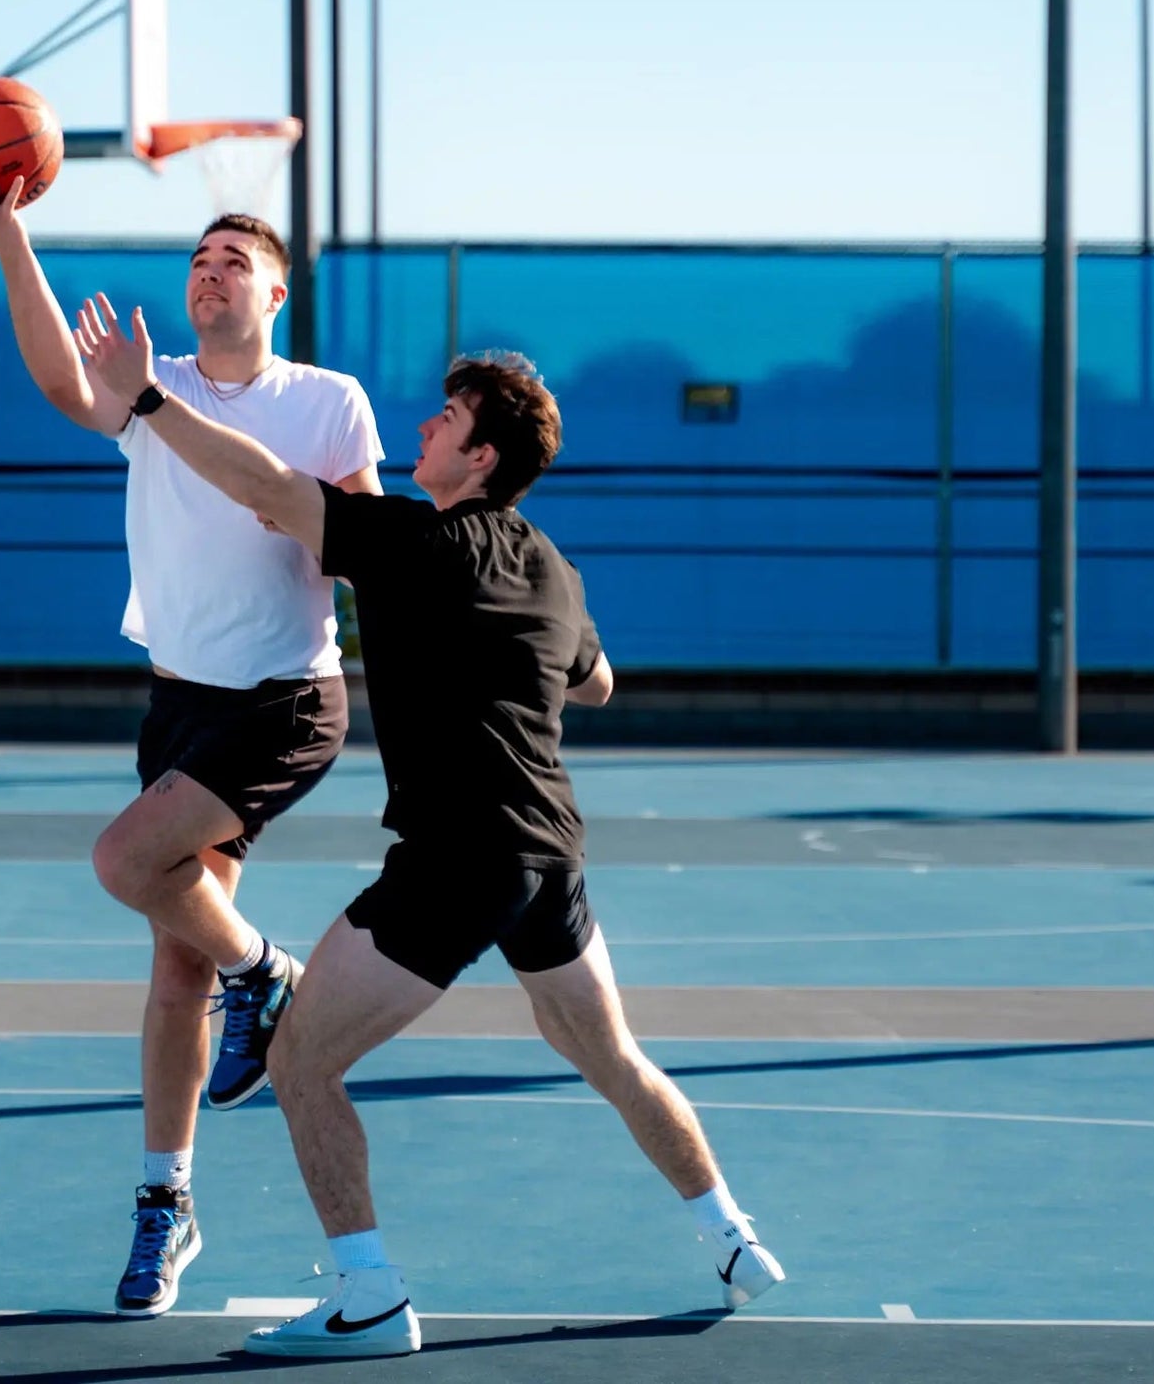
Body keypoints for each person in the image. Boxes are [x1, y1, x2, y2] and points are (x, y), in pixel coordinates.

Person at [74, 299, 787, 1360]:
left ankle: (367, 1292)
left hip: (455, 856)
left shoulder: (412, 542)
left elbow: (262, 484)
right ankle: (730, 1234)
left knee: (301, 1058)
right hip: (549, 854)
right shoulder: (552, 566)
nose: (421, 428)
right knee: (608, 1052)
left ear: (481, 453)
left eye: (445, 419)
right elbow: (595, 682)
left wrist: (142, 397)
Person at [0, 167, 384, 1319]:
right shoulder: (154, 382)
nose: (209, 270)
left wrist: (294, 509)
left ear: (277, 290)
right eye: (196, 258)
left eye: (233, 258)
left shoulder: (326, 398)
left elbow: (356, 542)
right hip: (180, 701)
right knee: (173, 959)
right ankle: (164, 1199)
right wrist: (9, 238)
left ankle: (267, 972)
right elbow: (52, 374)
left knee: (125, 861)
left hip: (284, 698)